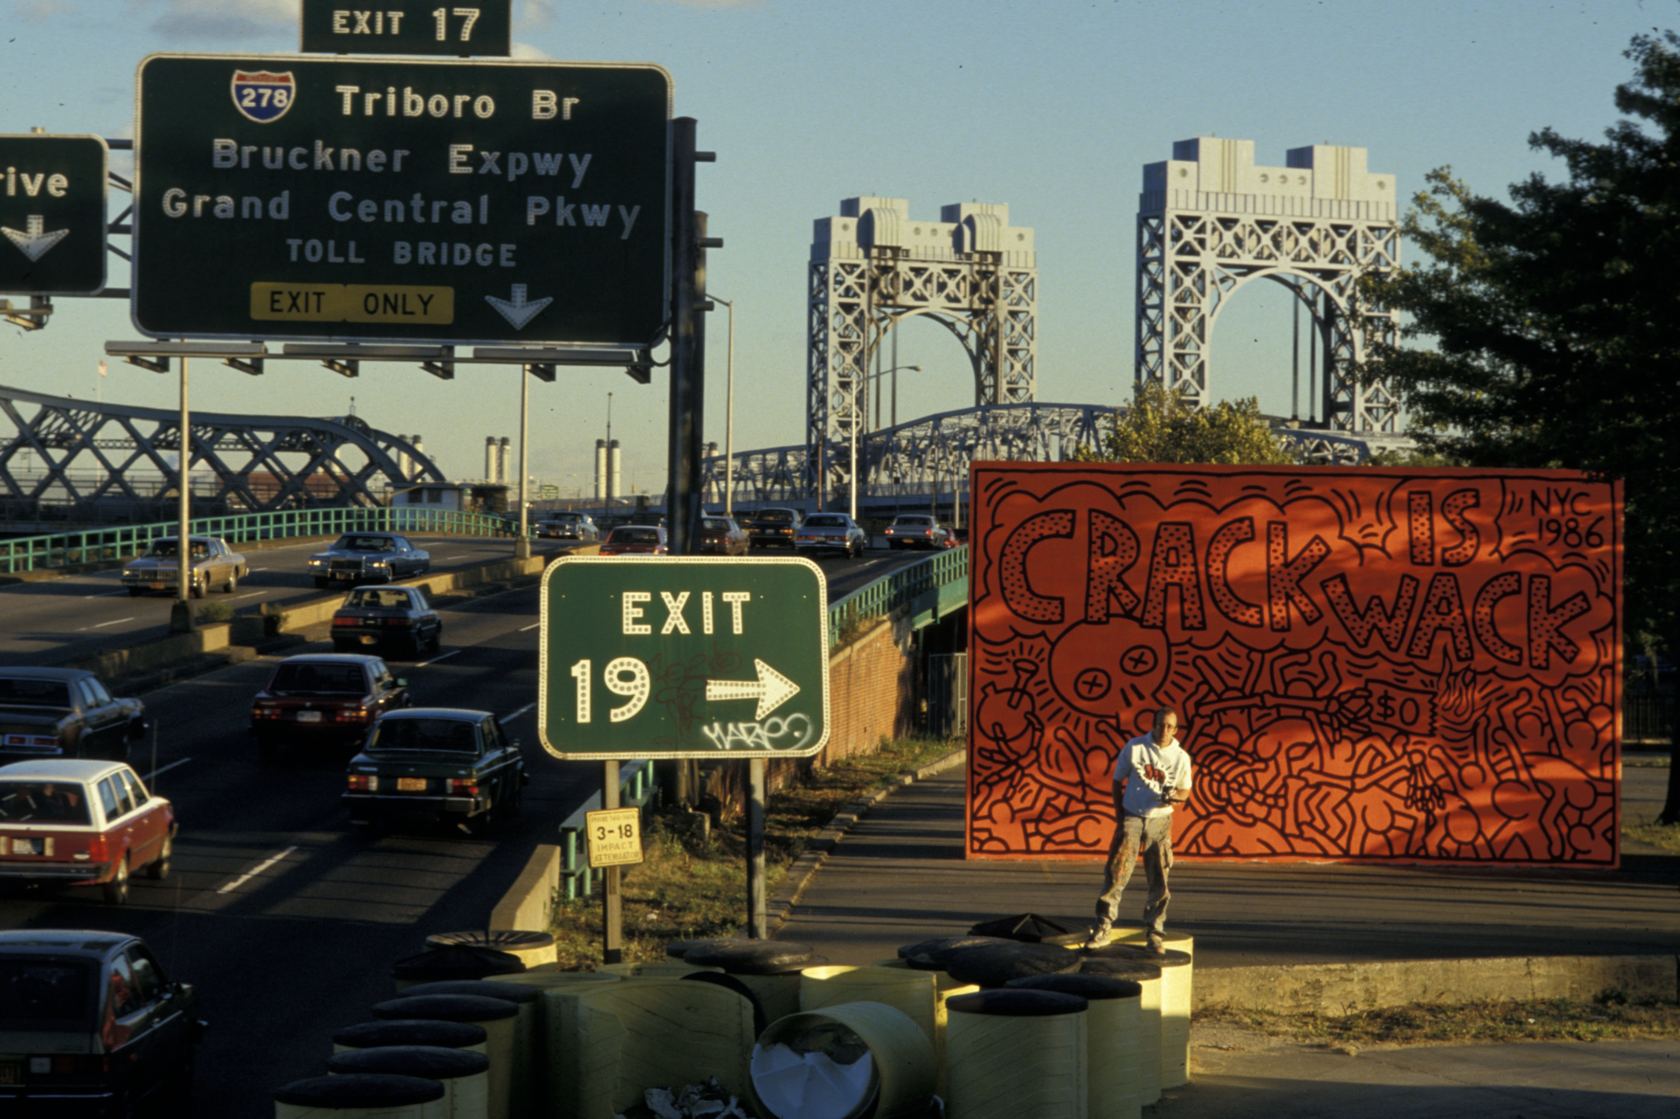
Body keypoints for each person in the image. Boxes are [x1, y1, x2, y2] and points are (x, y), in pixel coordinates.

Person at [1086, 705, 1193, 953]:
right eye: (1160, 724)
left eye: (1169, 726)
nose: (1164, 730)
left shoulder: (1181, 757)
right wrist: (1119, 814)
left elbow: (1185, 790)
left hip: (1161, 821)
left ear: (1176, 730)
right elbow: (1116, 781)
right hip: (1132, 817)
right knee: (1116, 874)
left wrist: (1176, 798)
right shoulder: (1135, 747)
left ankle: (1155, 934)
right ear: (1153, 725)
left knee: (1159, 879)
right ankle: (1103, 928)